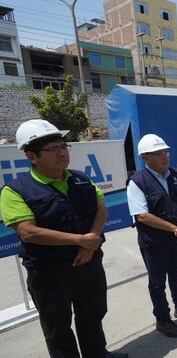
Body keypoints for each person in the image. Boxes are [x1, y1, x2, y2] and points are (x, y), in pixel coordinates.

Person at [0, 119, 127, 357]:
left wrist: (91, 243)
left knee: (92, 314)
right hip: (49, 272)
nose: (62, 153)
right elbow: (28, 232)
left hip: (89, 263)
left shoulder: (80, 178)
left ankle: (97, 354)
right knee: (58, 328)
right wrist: (80, 241)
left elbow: (101, 208)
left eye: (63, 147)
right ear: (31, 156)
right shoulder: (15, 190)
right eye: (53, 149)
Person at [126, 134, 177, 338]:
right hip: (154, 243)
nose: (165, 157)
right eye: (159, 153)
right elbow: (142, 216)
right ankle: (162, 319)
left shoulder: (174, 175)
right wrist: (174, 228)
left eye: (166, 152)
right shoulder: (137, 182)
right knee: (157, 282)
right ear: (146, 157)